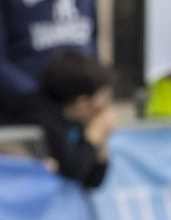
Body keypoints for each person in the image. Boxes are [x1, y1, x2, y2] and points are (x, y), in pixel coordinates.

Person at [38, 49, 115, 188]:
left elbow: (93, 180)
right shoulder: (45, 121)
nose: (104, 107)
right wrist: (93, 136)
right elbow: (72, 170)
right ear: (82, 102)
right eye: (101, 98)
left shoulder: (78, 123)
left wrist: (101, 143)